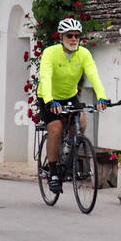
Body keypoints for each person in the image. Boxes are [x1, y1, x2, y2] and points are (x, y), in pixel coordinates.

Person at [37, 18, 108, 196]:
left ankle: (68, 150)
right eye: (70, 35)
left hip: (69, 96)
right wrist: (49, 100)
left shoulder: (83, 54)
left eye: (77, 36)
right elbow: (45, 77)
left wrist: (101, 97)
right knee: (56, 128)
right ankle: (53, 172)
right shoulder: (50, 53)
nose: (74, 39)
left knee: (81, 123)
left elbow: (94, 75)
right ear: (62, 36)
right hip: (49, 97)